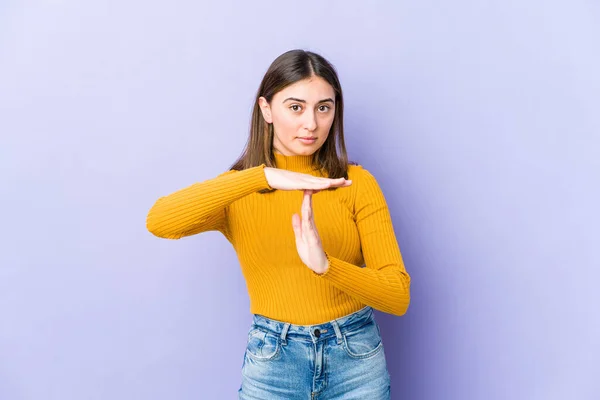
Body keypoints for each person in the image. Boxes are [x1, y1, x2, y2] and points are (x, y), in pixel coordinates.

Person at [146, 49, 411, 400]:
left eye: (324, 107)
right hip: (274, 362)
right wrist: (261, 176)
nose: (311, 124)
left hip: (356, 359)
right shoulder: (242, 189)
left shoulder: (356, 183)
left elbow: (397, 296)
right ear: (267, 109)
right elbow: (160, 221)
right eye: (295, 107)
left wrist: (328, 267)